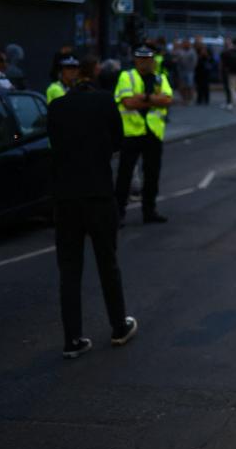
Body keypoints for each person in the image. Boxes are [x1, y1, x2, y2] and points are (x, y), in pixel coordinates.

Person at [46, 54, 138, 359]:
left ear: (72, 77)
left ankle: (72, 340)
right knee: (107, 264)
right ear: (94, 76)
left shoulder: (56, 107)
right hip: (98, 194)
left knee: (69, 271)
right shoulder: (103, 102)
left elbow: (53, 146)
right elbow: (117, 142)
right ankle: (118, 327)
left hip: (65, 198)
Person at [113, 46, 173, 225]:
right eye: (141, 59)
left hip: (153, 133)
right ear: (136, 60)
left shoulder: (160, 78)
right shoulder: (126, 76)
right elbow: (128, 103)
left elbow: (168, 100)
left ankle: (149, 211)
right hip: (131, 133)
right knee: (125, 175)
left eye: (148, 59)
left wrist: (144, 98)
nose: (145, 62)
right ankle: (118, 213)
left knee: (152, 175)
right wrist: (154, 100)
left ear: (152, 60)